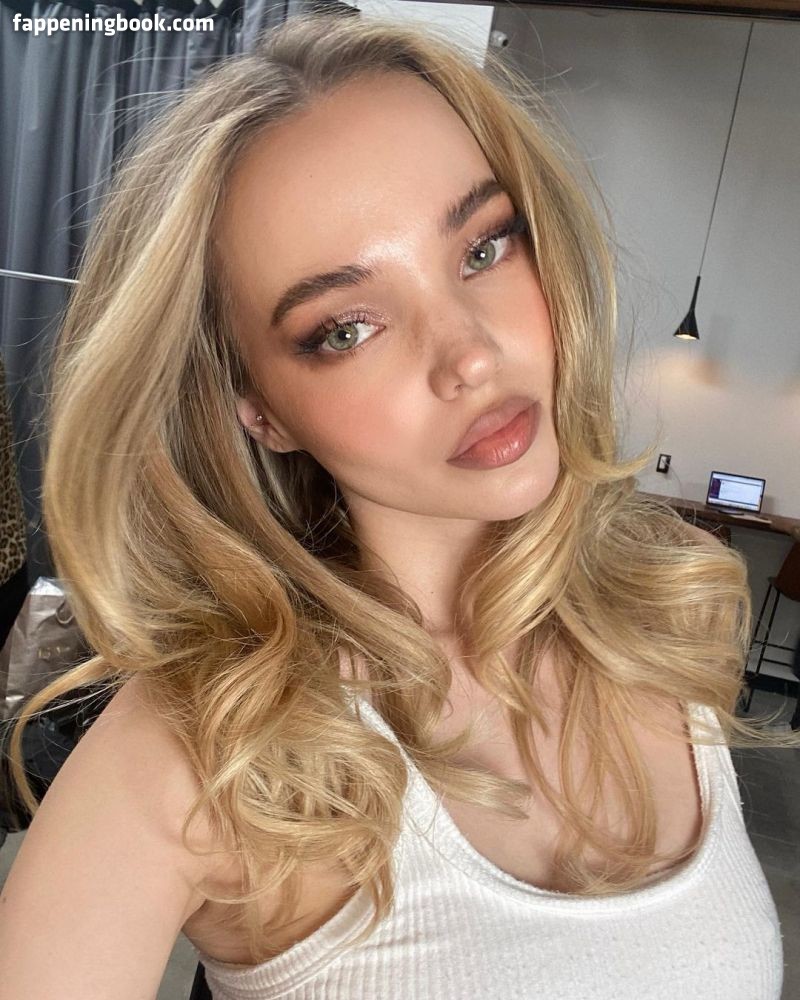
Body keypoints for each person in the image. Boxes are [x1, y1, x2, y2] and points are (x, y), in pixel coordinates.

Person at [0, 12, 795, 999]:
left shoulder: (674, 619)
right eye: (345, 327)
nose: (469, 356)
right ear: (259, 408)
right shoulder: (203, 752)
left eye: (483, 248)